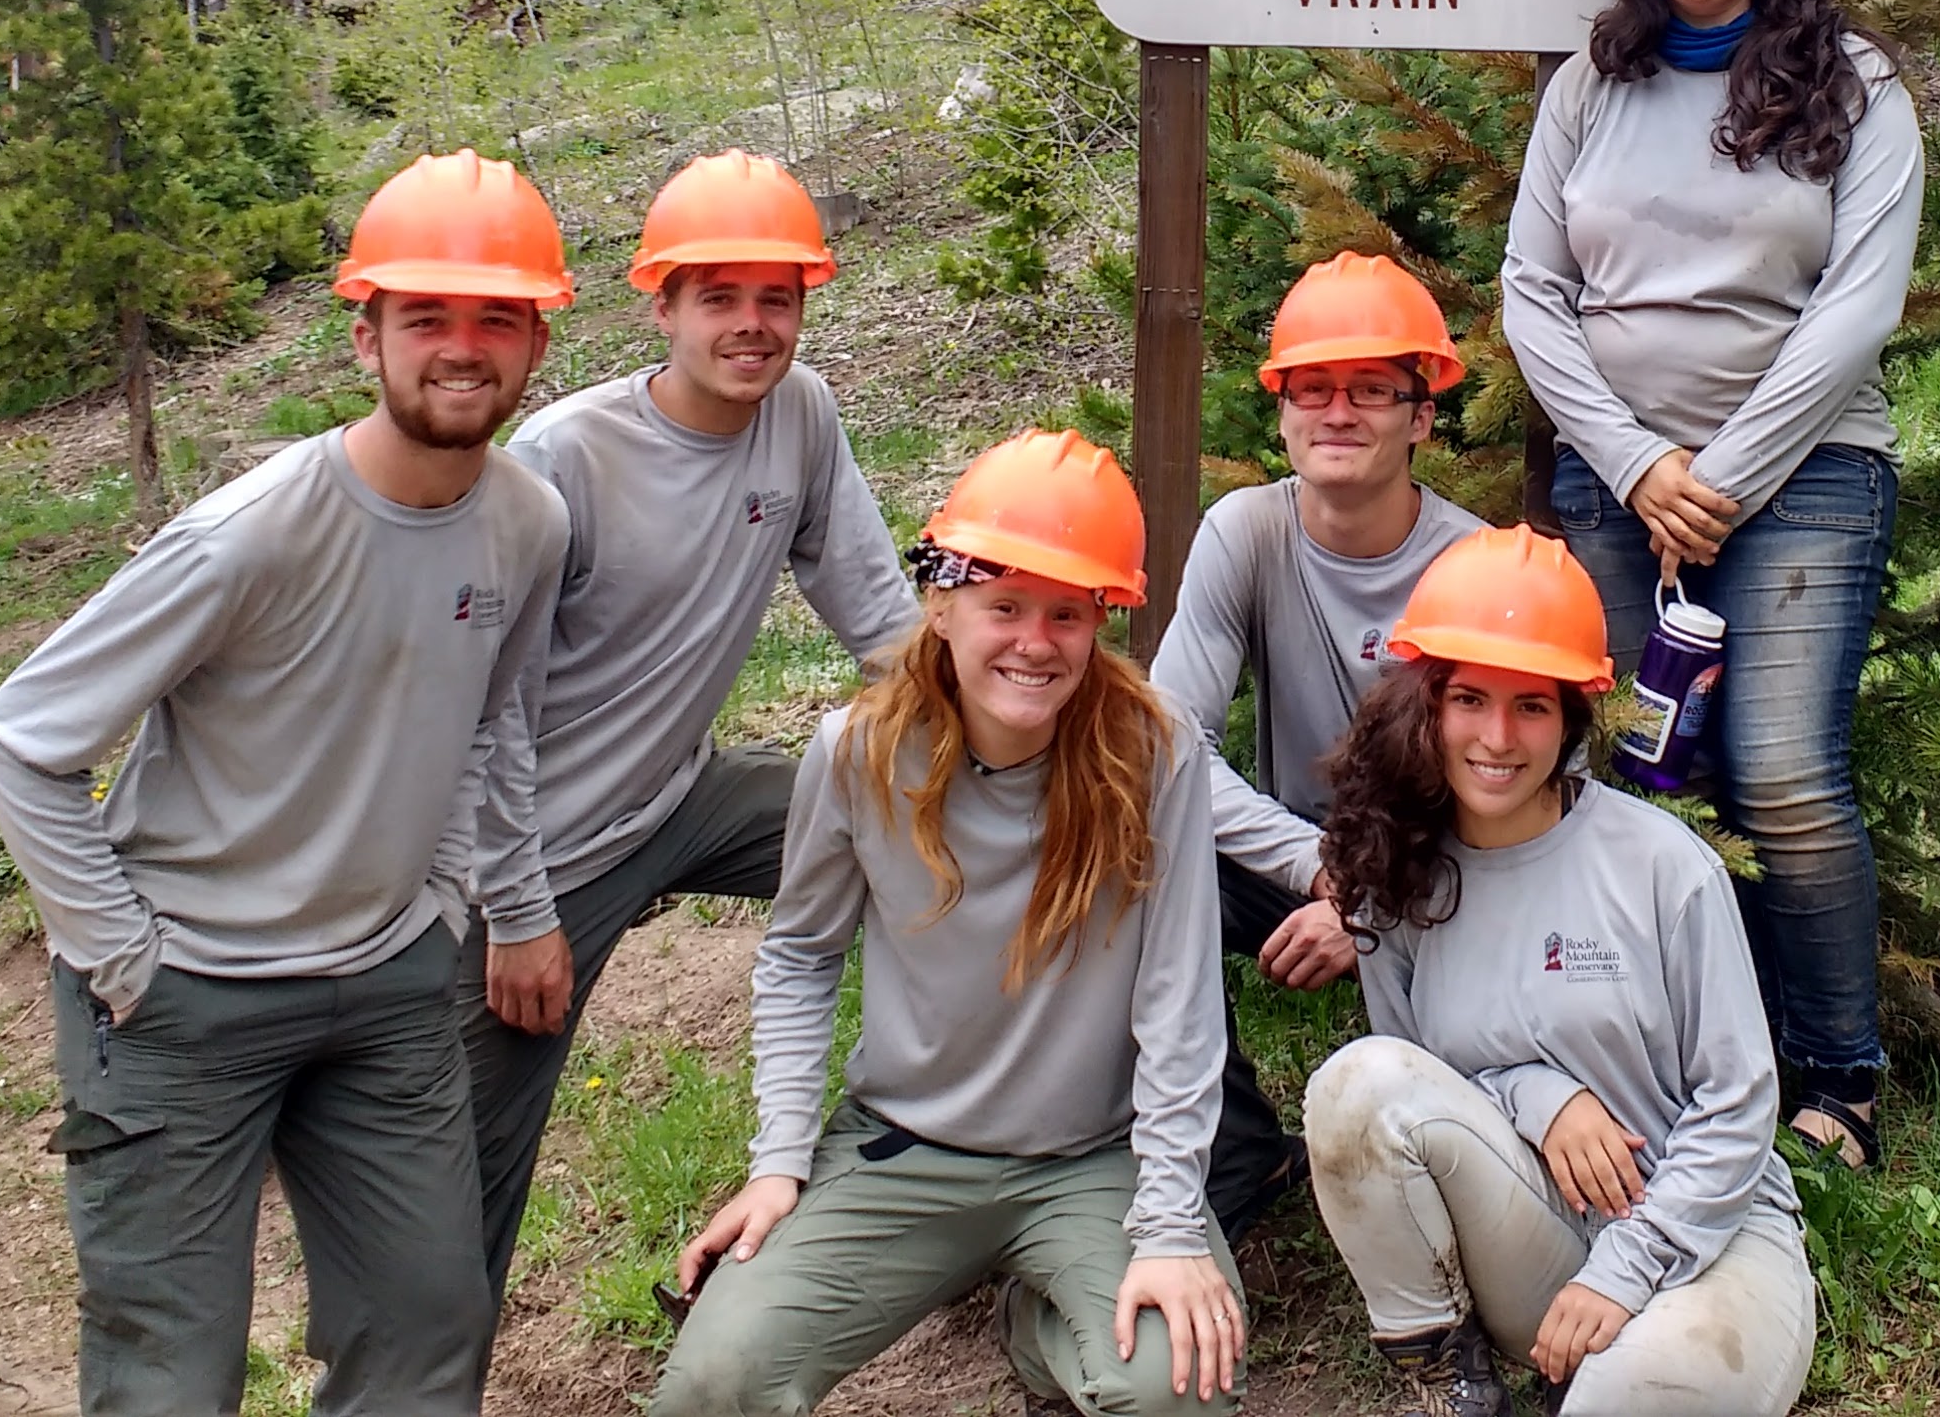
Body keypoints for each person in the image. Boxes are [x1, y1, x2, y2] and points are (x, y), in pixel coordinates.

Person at [0, 152, 578, 1415]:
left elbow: (490, 732)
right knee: (170, 1371)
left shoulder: (527, 523)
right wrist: (121, 959)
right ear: (365, 336)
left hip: (389, 990)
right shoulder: (250, 533)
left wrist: (458, 905)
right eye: (426, 319)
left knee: (427, 1327)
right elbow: (25, 737)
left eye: (496, 320)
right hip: (183, 999)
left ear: (536, 342)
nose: (461, 349)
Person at [1499, 0, 1922, 1170]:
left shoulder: (1856, 89)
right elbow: (1531, 295)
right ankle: (1686, 1074)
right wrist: (1634, 464)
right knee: (1638, 785)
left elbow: (1857, 308)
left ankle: (1837, 1083)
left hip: (1805, 481)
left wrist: (1720, 475)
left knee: (1784, 777)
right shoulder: (1587, 89)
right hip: (1618, 495)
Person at [649, 429, 1243, 1417]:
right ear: (941, 601)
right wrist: (779, 1162)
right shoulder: (857, 750)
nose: (1031, 642)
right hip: (903, 1147)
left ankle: (1044, 1327)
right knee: (717, 1383)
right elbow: (799, 956)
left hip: (1092, 1159)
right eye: (1002, 606)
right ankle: (1017, 1294)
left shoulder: (1154, 753)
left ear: (1103, 619)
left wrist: (1174, 1224)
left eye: (1066, 614)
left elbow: (1179, 1000)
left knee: (1173, 1392)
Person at [465, 151, 918, 1293]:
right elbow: (484, 711)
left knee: (939, 835)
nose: (753, 326)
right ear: (659, 303)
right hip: (539, 855)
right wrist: (516, 913)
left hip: (684, 796)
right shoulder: (563, 458)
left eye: (778, 298)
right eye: (718, 297)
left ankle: (959, 1141)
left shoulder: (798, 415)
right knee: (465, 1172)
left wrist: (1006, 751)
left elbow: (878, 616)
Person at [1303, 526, 1815, 1417]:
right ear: (1425, 703)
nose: (1497, 737)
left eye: (1531, 706)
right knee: (1357, 1086)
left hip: (1710, 1238)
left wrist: (1625, 1268)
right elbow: (1417, 1090)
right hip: (1532, 1240)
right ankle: (1449, 1384)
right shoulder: (1396, 878)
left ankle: (1621, 1369)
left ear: (1573, 716)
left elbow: (1738, 1102)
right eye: (1469, 699)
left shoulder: (1662, 867)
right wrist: (1537, 1095)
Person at [1146, 250, 1490, 1238]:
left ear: (1420, 415)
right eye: (1312, 387)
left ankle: (1456, 1168)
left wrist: (1373, 898)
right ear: (1282, 409)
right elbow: (1167, 748)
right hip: (1299, 853)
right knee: (1121, 853)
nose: (1337, 411)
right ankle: (1238, 1154)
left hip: (1446, 867)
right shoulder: (1242, 534)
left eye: (1371, 388)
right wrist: (1323, 870)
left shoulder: (1467, 565)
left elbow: (1514, 799)